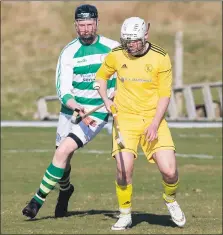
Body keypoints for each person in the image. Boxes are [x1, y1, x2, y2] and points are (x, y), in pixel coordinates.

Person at [22, 4, 119, 219]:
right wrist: (75, 105)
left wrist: (114, 97)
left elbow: (124, 76)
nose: (85, 29)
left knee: (63, 150)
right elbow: (62, 90)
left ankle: (36, 202)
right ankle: (65, 191)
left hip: (96, 112)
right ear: (75, 25)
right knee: (63, 158)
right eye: (81, 25)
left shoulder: (113, 49)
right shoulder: (69, 52)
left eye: (89, 24)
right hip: (71, 111)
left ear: (97, 23)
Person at [95, 17, 186, 230]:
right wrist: (106, 99)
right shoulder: (117, 54)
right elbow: (101, 77)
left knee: (170, 172)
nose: (130, 45)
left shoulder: (161, 58)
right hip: (125, 119)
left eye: (134, 41)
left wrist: (154, 124)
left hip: (153, 119)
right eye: (126, 41)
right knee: (123, 169)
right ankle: (125, 214)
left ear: (146, 35)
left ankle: (170, 199)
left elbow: (164, 95)